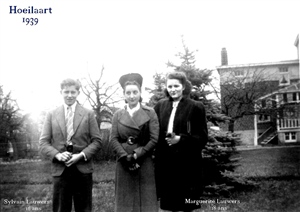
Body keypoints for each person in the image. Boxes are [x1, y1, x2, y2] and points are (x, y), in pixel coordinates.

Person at [39, 78, 102, 212]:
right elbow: (43, 142)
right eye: (66, 92)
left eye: (73, 92)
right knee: (61, 208)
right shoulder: (51, 114)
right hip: (60, 170)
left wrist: (81, 155)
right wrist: (58, 155)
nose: (69, 95)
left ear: (78, 93)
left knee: (84, 208)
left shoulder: (88, 114)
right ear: (60, 92)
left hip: (82, 170)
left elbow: (97, 141)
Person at [154, 71, 208, 212]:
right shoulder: (161, 105)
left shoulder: (196, 107)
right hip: (166, 163)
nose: (173, 89)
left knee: (186, 206)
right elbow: (153, 129)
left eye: (176, 86)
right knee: (169, 206)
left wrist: (181, 139)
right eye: (170, 86)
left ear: (184, 86)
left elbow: (202, 138)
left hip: (187, 164)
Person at [110, 73, 159, 212]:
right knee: (124, 201)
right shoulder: (117, 114)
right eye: (128, 93)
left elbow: (154, 139)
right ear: (124, 95)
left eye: (135, 92)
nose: (132, 96)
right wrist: (125, 156)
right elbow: (113, 139)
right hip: (123, 161)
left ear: (140, 93)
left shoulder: (150, 112)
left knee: (145, 200)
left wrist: (137, 155)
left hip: (144, 159)